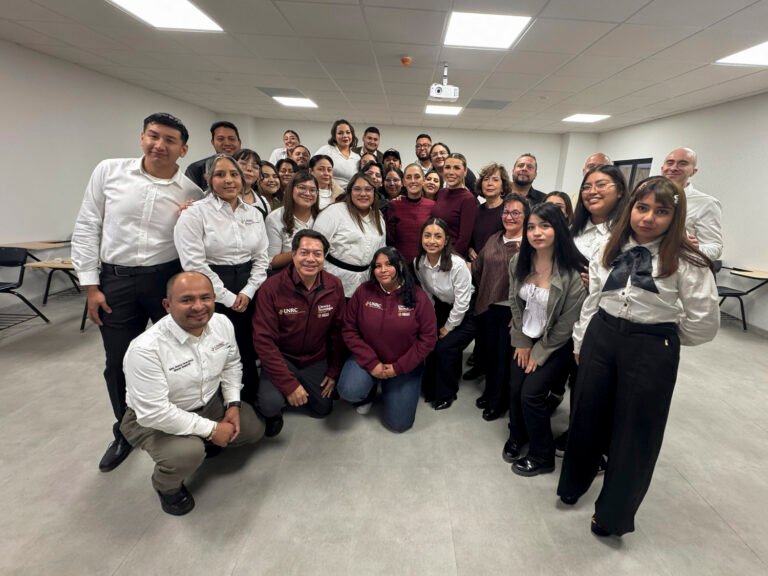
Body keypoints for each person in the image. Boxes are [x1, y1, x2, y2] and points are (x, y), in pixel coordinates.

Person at [557, 176, 719, 537]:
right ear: (630, 208)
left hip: (651, 345)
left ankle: (612, 514)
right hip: (602, 335)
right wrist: (581, 342)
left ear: (675, 217)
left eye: (661, 212)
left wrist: (661, 338)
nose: (648, 218)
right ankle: (574, 482)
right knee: (586, 414)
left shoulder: (687, 260)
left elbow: (704, 322)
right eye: (642, 208)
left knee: (636, 431)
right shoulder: (609, 247)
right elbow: (594, 297)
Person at [72, 112, 203, 473]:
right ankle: (125, 432)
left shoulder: (192, 193)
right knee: (119, 361)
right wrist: (90, 286)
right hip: (116, 280)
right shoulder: (109, 171)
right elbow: (87, 225)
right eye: (153, 136)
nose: (159, 145)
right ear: (142, 137)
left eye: (169, 140)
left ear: (183, 149)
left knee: (178, 355)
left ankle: (177, 422)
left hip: (166, 278)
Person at [121, 272, 265, 516]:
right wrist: (212, 430)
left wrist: (232, 404)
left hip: (210, 402)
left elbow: (231, 364)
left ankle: (204, 439)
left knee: (254, 429)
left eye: (205, 298)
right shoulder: (145, 349)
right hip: (154, 419)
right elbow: (155, 412)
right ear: (167, 305)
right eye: (187, 300)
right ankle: (167, 487)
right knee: (187, 454)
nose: (199, 307)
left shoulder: (221, 323)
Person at [174, 153, 270, 404]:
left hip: (249, 285)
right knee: (216, 348)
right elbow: (194, 264)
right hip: (210, 286)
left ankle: (249, 401)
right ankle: (217, 404)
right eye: (220, 174)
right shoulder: (194, 213)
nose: (228, 180)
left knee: (247, 345)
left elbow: (262, 257)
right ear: (208, 178)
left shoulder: (254, 213)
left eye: (234, 174)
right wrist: (227, 298)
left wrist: (248, 291)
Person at [504, 203, 588, 477]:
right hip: (525, 335)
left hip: (557, 343)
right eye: (531, 227)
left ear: (559, 229)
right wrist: (522, 341)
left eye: (545, 226)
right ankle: (517, 435)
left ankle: (543, 455)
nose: (536, 232)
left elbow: (567, 322)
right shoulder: (519, 261)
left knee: (531, 394)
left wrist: (539, 351)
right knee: (515, 388)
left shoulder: (574, 271)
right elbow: (514, 302)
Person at [252, 230, 346, 437]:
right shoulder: (271, 288)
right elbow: (263, 340)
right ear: (293, 254)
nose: (310, 259)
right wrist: (288, 385)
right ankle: (280, 398)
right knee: (270, 404)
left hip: (315, 358)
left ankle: (300, 388)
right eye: (304, 252)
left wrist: (334, 371)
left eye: (317, 254)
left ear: (324, 257)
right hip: (283, 358)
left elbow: (338, 333)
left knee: (323, 409)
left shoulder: (334, 285)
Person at [337, 247, 437, 432]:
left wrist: (398, 368)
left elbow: (428, 339)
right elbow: (349, 330)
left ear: (400, 266)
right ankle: (369, 390)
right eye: (378, 266)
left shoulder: (418, 296)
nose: (383, 270)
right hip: (368, 360)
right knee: (349, 390)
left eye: (389, 264)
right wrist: (372, 363)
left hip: (403, 364)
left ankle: (391, 387)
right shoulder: (363, 292)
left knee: (399, 424)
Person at [471, 193, 528, 420]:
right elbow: (479, 267)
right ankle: (490, 393)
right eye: (506, 212)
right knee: (490, 355)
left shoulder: (528, 245)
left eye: (516, 213)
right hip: (489, 306)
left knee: (504, 360)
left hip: (510, 311)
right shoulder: (495, 237)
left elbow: (530, 282)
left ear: (526, 216)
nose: (509, 217)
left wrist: (519, 313)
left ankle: (499, 402)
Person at [415, 218, 475, 411]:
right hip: (442, 307)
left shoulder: (457, 265)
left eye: (438, 236)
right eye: (427, 235)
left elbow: (462, 302)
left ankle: (447, 392)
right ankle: (432, 386)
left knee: (444, 347)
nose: (431, 241)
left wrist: (448, 327)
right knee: (430, 342)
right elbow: (427, 293)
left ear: (446, 240)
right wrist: (431, 320)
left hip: (468, 311)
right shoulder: (419, 262)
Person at [314, 173, 386, 298]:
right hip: (333, 281)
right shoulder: (334, 212)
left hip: (365, 284)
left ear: (374, 193)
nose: (363, 194)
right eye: (357, 189)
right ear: (349, 192)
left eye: (368, 189)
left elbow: (381, 252)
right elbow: (315, 248)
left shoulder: (378, 218)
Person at [660, 147, 723, 260]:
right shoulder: (645, 197)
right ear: (662, 168)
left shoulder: (707, 203)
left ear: (693, 171)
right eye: (670, 163)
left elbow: (715, 248)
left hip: (678, 266)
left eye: (682, 163)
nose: (673, 168)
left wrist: (695, 248)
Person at [265, 170, 320, 271]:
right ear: (291, 190)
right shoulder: (274, 219)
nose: (308, 193)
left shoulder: (322, 216)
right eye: (302, 188)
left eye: (312, 190)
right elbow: (270, 262)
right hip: (287, 274)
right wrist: (300, 251)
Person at [572, 165, 628, 260]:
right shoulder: (572, 230)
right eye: (587, 187)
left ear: (620, 191)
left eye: (601, 185)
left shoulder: (628, 233)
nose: (592, 191)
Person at [430, 153, 478, 259]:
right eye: (447, 167)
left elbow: (464, 239)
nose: (451, 172)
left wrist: (449, 259)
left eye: (456, 168)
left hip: (452, 258)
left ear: (465, 172)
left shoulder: (468, 199)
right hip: (435, 253)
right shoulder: (441, 193)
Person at [385, 163, 435, 264]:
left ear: (423, 180)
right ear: (403, 182)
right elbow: (389, 239)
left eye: (417, 177)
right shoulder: (394, 205)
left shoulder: (432, 205)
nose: (413, 181)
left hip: (426, 263)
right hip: (401, 263)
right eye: (408, 177)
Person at [185, 121, 241, 189]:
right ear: (213, 142)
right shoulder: (196, 169)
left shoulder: (250, 168)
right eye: (220, 139)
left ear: (239, 142)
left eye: (231, 139)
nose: (227, 143)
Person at [315, 119, 362, 188]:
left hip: (349, 193)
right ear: (334, 136)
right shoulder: (326, 150)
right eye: (340, 133)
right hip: (328, 191)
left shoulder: (357, 157)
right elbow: (312, 168)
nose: (345, 136)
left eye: (348, 132)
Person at [233, 149, 270, 216]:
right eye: (243, 163)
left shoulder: (264, 203)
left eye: (255, 167)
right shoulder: (222, 199)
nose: (249, 169)